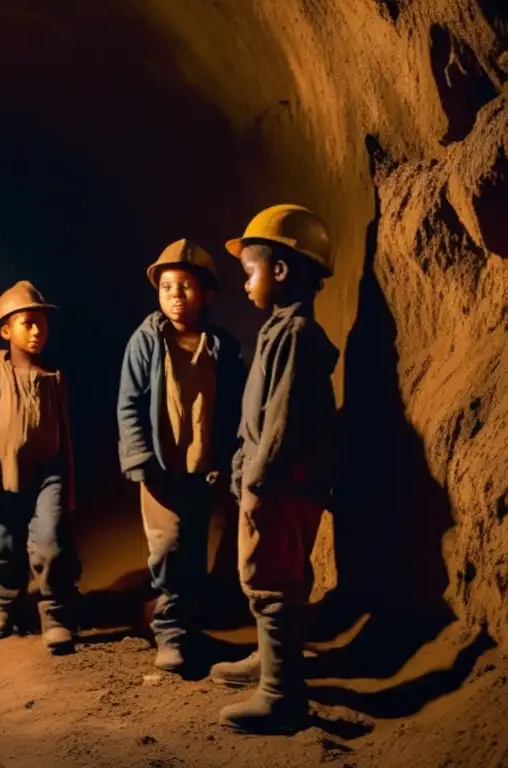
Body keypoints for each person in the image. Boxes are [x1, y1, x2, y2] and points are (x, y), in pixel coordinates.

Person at [216, 205, 339, 735]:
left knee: (273, 578)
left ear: (281, 271)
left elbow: (283, 417)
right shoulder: (282, 329)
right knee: (269, 574)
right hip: (279, 478)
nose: (245, 283)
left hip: (281, 483)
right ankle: (270, 661)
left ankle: (280, 694)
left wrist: (258, 479)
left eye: (250, 271)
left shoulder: (296, 335)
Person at [117, 239, 245, 673]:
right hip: (160, 469)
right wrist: (140, 462)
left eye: (186, 285)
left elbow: (234, 406)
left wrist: (230, 457)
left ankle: (186, 628)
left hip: (201, 469)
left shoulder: (222, 347)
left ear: (207, 293)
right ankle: (169, 636)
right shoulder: (146, 341)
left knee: (190, 549)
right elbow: (129, 403)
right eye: (167, 285)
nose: (175, 294)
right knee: (167, 546)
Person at [0, 281, 78, 654]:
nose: (36, 331)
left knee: (49, 542)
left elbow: (64, 431)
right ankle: (2, 602)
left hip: (48, 473)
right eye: (27, 323)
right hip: (3, 471)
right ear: (4, 330)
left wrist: (68, 483)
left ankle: (55, 612)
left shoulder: (55, 375)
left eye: (41, 324)